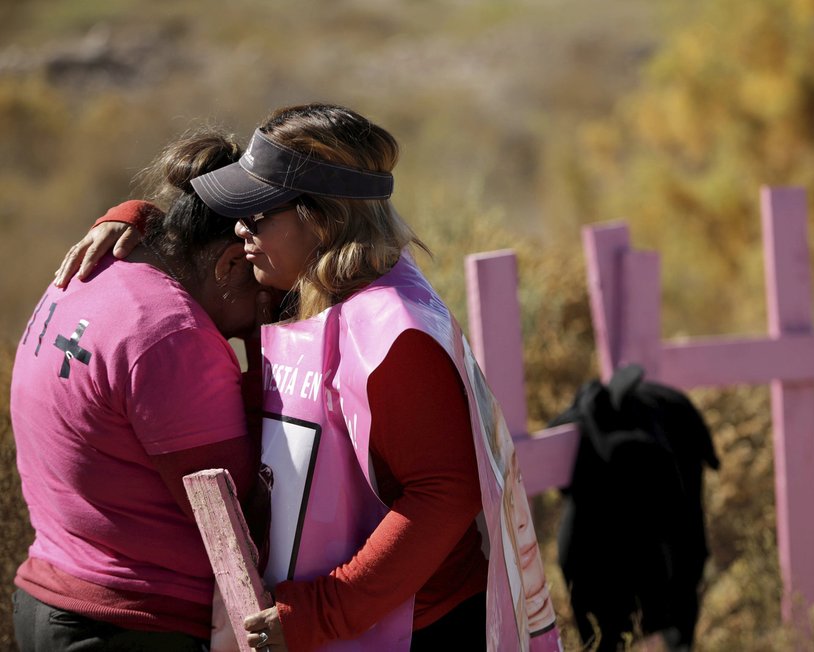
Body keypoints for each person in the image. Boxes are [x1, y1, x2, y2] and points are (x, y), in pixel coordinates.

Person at [65, 102, 562, 651]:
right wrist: (134, 218)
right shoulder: (293, 292)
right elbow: (198, 239)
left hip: (420, 628)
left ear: (320, 220)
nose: (240, 229)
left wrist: (324, 611)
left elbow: (445, 494)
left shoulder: (397, 337)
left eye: (257, 215)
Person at [11, 131, 268, 651]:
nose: (274, 308)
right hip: (135, 624)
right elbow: (236, 523)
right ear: (231, 264)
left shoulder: (98, 267)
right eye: (269, 286)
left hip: (53, 599)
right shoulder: (172, 336)